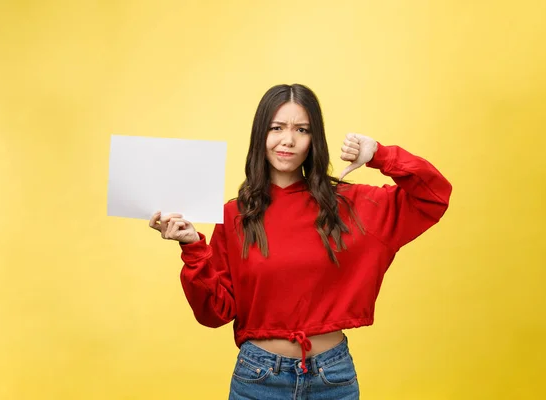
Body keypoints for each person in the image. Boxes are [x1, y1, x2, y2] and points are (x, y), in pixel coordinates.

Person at [149, 83, 452, 399]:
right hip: (258, 378)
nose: (288, 140)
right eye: (276, 127)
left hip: (332, 377)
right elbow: (213, 313)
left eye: (302, 129)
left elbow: (433, 196)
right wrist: (193, 247)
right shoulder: (235, 214)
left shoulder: (352, 205)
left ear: (313, 140)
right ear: (260, 136)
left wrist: (380, 154)